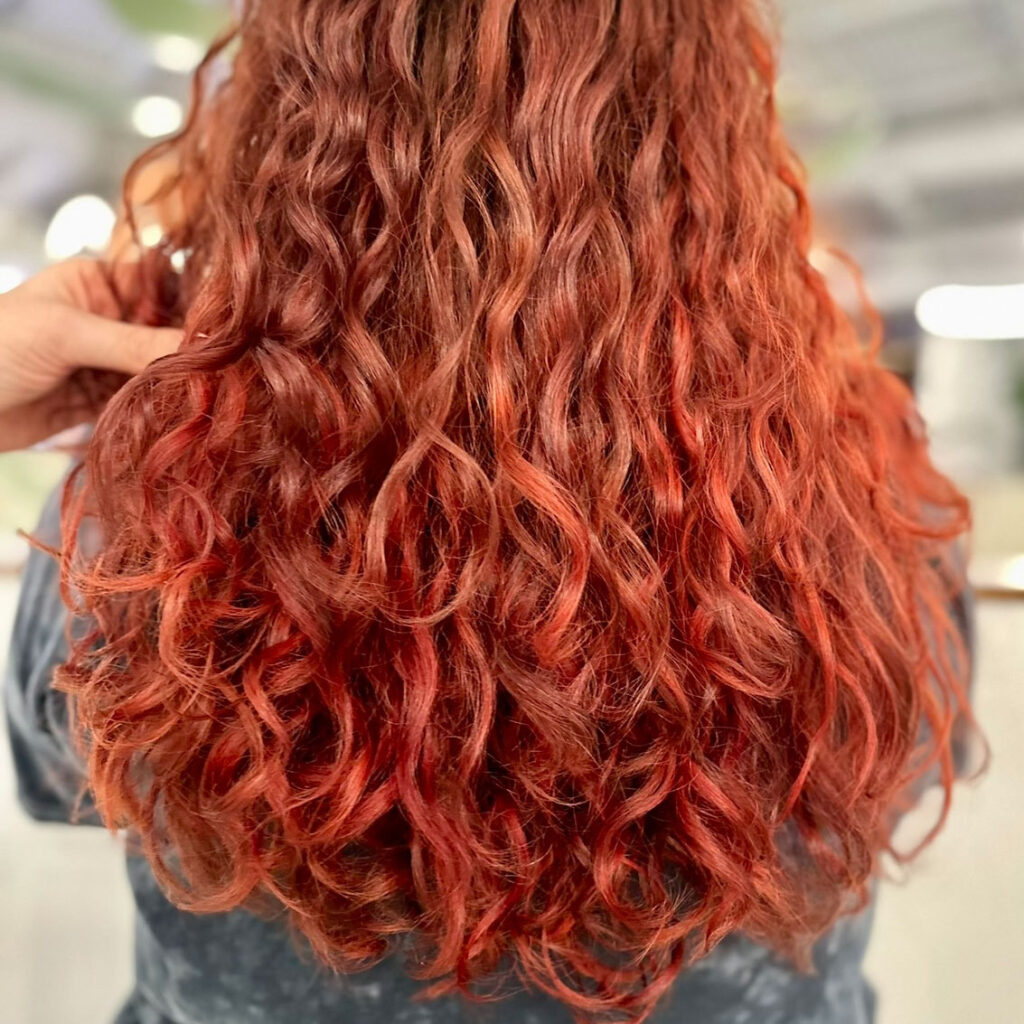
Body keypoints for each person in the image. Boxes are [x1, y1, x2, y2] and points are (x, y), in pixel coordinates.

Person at [3, 1, 984, 1022]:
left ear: (277, 153)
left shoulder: (148, 516)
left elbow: (60, 771)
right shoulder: (871, 500)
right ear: (714, 156)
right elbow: (908, 762)